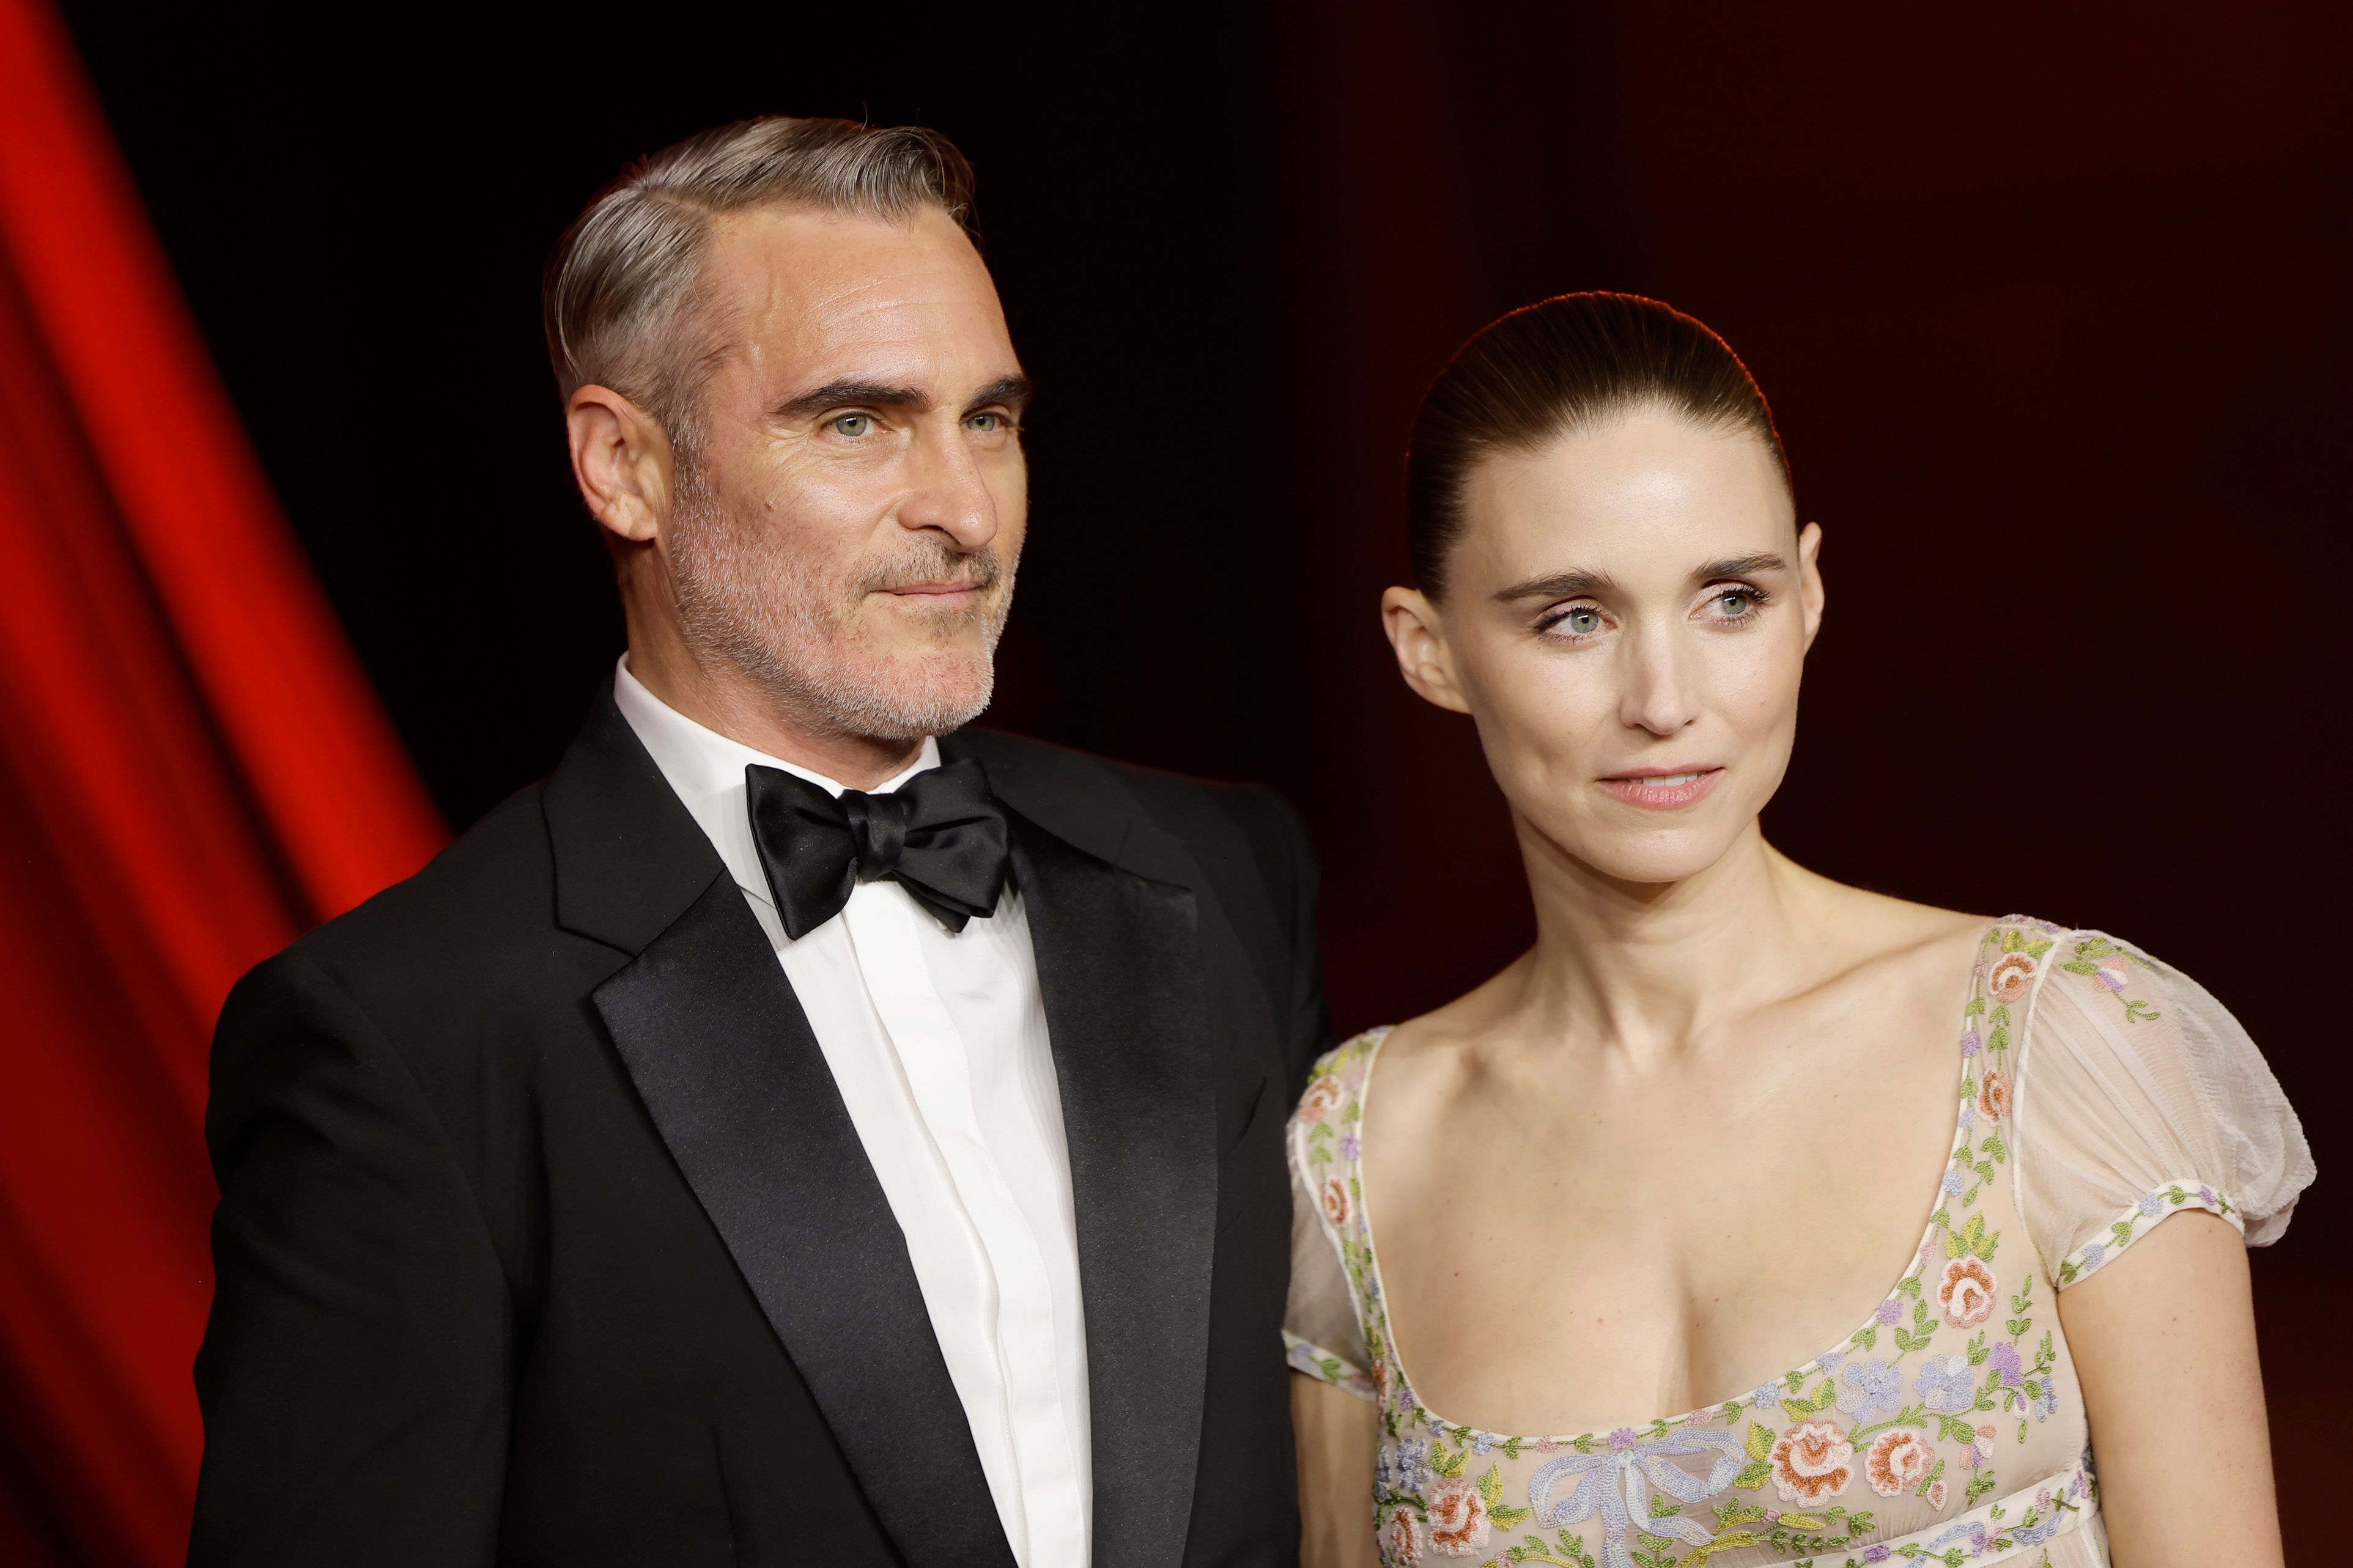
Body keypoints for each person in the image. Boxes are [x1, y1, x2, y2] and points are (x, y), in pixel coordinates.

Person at [191, 116, 1328, 1568]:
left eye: (988, 416)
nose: (964, 507)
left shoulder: (1219, 872)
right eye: (856, 420)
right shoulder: (415, 1034)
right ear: (624, 468)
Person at [1285, 293, 2311, 1568]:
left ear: (1809, 594)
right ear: (1428, 648)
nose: (1666, 700)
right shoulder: (1358, 1149)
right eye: (1572, 617)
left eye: (1728, 598)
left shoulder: (2057, 1046)